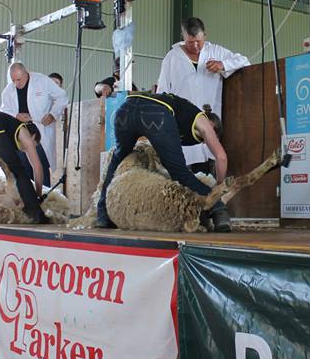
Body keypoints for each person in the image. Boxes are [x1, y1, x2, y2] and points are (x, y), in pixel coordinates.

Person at [96, 93, 232, 232]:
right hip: (155, 114)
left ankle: (102, 215)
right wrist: (219, 186)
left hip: (125, 110)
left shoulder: (184, 117)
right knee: (180, 173)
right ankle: (219, 210)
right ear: (212, 124)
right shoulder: (203, 120)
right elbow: (221, 157)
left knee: (117, 159)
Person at [156, 17, 249, 172]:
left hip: (211, 120)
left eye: (199, 41)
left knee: (213, 162)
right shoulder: (172, 58)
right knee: (186, 168)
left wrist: (223, 65)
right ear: (183, 37)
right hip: (184, 124)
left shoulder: (216, 51)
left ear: (204, 35)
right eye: (190, 42)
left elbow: (244, 61)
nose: (195, 46)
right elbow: (162, 91)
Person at [0, 62, 67, 173]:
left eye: (19, 79)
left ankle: (42, 190)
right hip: (20, 135)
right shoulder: (8, 91)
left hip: (40, 132)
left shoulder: (42, 81)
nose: (16, 83)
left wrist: (53, 114)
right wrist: (16, 116)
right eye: (13, 80)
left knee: (41, 168)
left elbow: (62, 97)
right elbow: (3, 110)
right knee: (23, 170)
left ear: (26, 73)